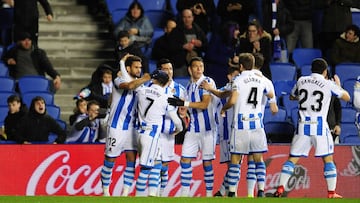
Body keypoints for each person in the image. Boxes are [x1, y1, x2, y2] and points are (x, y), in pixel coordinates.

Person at [273, 58, 350, 198]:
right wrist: (338, 86)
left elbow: (291, 96)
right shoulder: (328, 84)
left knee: (292, 159)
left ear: (311, 69)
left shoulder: (301, 80)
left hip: (303, 126)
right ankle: (331, 193)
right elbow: (346, 97)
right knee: (328, 159)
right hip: (319, 126)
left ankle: (279, 188)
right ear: (325, 71)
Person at [220, 53, 275, 197]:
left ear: (241, 66)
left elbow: (232, 101)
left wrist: (224, 108)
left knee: (235, 159)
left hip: (241, 124)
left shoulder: (238, 80)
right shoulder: (261, 80)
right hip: (256, 124)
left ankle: (232, 192)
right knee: (258, 159)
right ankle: (261, 191)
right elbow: (270, 95)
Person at [100, 54, 151, 197]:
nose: (139, 70)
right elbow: (129, 86)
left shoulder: (141, 83)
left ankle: (126, 193)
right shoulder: (118, 79)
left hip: (132, 127)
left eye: (140, 67)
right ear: (128, 68)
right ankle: (105, 191)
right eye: (136, 67)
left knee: (131, 158)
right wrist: (145, 78)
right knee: (110, 159)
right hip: (116, 126)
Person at [167, 57, 217, 197]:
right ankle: (185, 194)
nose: (199, 69)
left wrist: (185, 104)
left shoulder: (207, 82)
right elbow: (189, 107)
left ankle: (208, 194)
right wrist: (184, 110)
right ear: (190, 69)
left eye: (201, 66)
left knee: (207, 163)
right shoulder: (189, 86)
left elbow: (204, 104)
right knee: (184, 160)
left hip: (208, 130)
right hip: (193, 130)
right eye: (196, 66)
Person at [135, 69, 185, 197]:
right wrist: (178, 130)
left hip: (140, 132)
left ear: (154, 80)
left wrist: (122, 65)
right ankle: (139, 197)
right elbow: (177, 121)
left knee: (157, 163)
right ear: (166, 83)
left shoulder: (141, 90)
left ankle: (152, 195)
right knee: (146, 169)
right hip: (152, 134)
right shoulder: (166, 97)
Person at [154, 58, 186, 196]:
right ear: (160, 71)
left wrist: (182, 116)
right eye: (166, 69)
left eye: (171, 69)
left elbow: (183, 112)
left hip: (169, 132)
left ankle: (161, 195)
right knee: (156, 163)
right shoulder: (152, 87)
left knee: (164, 166)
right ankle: (153, 194)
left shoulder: (180, 89)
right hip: (154, 131)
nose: (169, 72)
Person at [167, 9, 208, 77]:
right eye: (184, 17)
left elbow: (206, 46)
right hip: (180, 64)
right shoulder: (176, 31)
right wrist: (183, 46)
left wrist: (200, 44)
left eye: (189, 17)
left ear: (193, 18)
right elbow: (170, 47)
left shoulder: (198, 30)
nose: (187, 19)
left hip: (196, 63)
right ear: (182, 18)